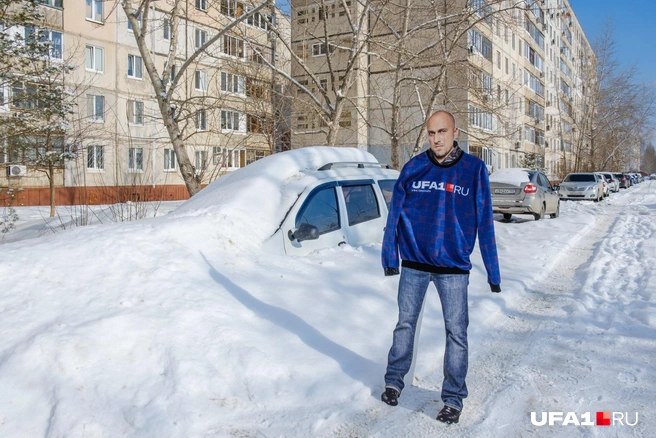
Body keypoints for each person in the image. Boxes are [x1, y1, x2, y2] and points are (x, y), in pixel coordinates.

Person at [380, 110, 501, 424]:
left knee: (456, 333)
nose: (436, 138)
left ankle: (453, 399)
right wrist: (390, 257)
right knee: (405, 323)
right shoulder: (413, 168)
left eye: (442, 132)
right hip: (415, 263)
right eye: (431, 133)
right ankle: (393, 381)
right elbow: (393, 216)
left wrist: (493, 271)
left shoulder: (473, 170)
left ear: (455, 132)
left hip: (453, 266)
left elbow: (486, 221)